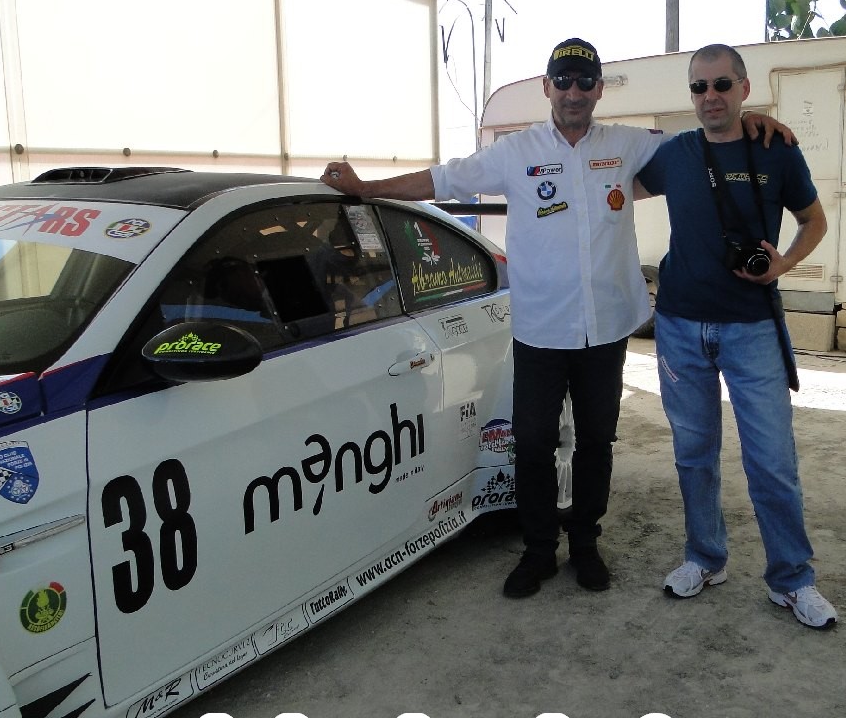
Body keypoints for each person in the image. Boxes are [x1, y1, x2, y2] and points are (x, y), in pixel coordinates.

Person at [324, 37, 792, 599]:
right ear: (547, 87)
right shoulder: (516, 151)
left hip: (606, 328)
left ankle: (586, 545)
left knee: (597, 441)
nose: (574, 92)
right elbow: (441, 180)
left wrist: (753, 120)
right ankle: (540, 551)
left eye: (585, 81)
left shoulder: (628, 144)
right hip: (541, 330)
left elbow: (709, 139)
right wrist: (365, 189)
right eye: (563, 80)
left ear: (599, 90)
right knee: (532, 444)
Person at [635, 43, 837, 629]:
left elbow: (814, 220)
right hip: (679, 325)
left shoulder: (776, 149)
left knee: (772, 460)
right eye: (699, 88)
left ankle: (792, 580)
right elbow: (608, 168)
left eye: (722, 85)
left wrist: (784, 264)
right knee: (693, 454)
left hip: (752, 328)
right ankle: (705, 557)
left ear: (744, 88)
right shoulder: (675, 154)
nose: (710, 97)